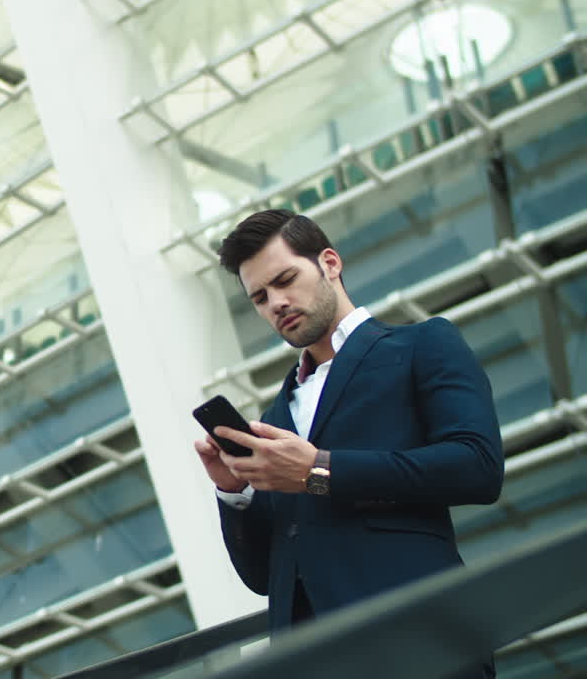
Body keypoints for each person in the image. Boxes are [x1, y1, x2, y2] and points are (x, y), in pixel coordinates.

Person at [193, 209, 503, 675]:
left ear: (330, 263)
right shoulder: (275, 421)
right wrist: (234, 494)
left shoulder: (422, 345)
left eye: (285, 279)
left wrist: (318, 471)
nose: (276, 302)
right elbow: (263, 579)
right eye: (260, 296)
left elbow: (477, 466)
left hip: (420, 644)